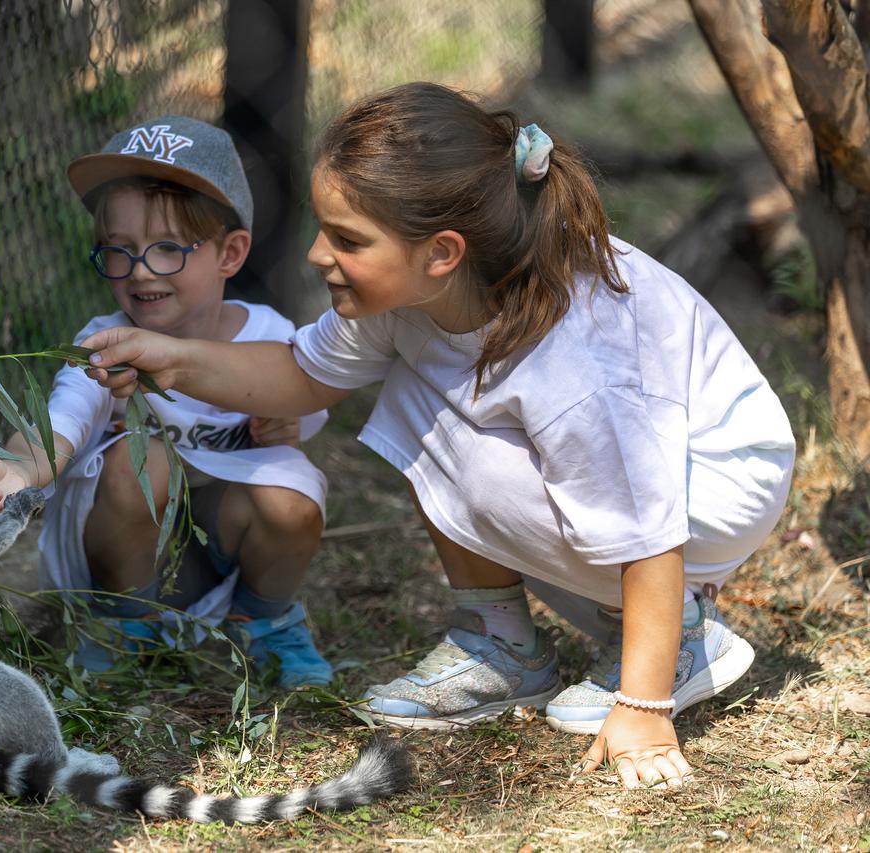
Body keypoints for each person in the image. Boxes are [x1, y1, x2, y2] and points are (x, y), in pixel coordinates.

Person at [76, 83, 795, 789]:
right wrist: (175, 358)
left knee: (433, 408)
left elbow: (645, 530)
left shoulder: (574, 361)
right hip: (654, 481)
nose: (318, 255)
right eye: (323, 229)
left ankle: (678, 641)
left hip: (713, 485)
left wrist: (642, 709)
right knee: (423, 398)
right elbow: (300, 374)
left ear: (441, 252)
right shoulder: (416, 293)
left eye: (347, 239)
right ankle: (500, 640)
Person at [0, 116, 333, 688]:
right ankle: (122, 630)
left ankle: (262, 621)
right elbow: (60, 420)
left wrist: (290, 422)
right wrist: (18, 469)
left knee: (292, 492)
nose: (141, 271)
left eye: (168, 248)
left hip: (218, 559)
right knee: (142, 458)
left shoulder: (268, 336)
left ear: (230, 254)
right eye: (119, 250)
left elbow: (310, 400)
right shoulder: (105, 344)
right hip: (115, 563)